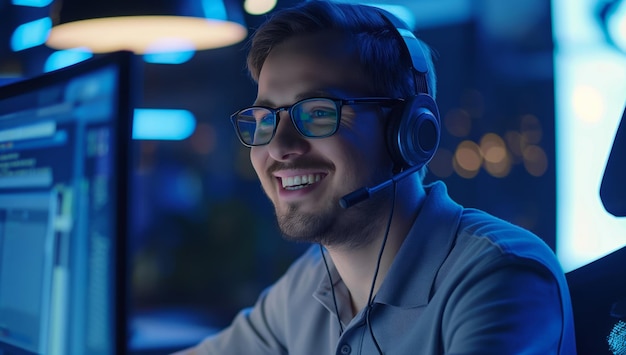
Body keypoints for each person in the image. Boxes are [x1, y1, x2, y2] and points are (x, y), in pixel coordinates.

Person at [176, 1, 576, 354]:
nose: (279, 147)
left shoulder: (499, 276)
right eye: (265, 119)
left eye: (318, 112)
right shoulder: (310, 283)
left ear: (408, 132)